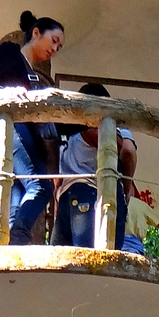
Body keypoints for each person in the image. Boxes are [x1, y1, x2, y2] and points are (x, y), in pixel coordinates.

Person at [0, 12, 66, 244]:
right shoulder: (10, 53)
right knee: (41, 187)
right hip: (13, 131)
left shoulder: (32, 74)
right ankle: (19, 235)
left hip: (26, 136)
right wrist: (2, 93)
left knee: (18, 193)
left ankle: (11, 245)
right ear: (36, 33)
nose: (55, 49)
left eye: (59, 47)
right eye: (53, 41)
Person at [51, 83, 139, 249]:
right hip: (95, 191)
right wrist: (126, 187)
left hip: (65, 196)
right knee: (93, 260)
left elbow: (57, 173)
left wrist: (57, 197)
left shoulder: (66, 128)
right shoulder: (112, 123)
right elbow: (128, 151)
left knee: (62, 264)